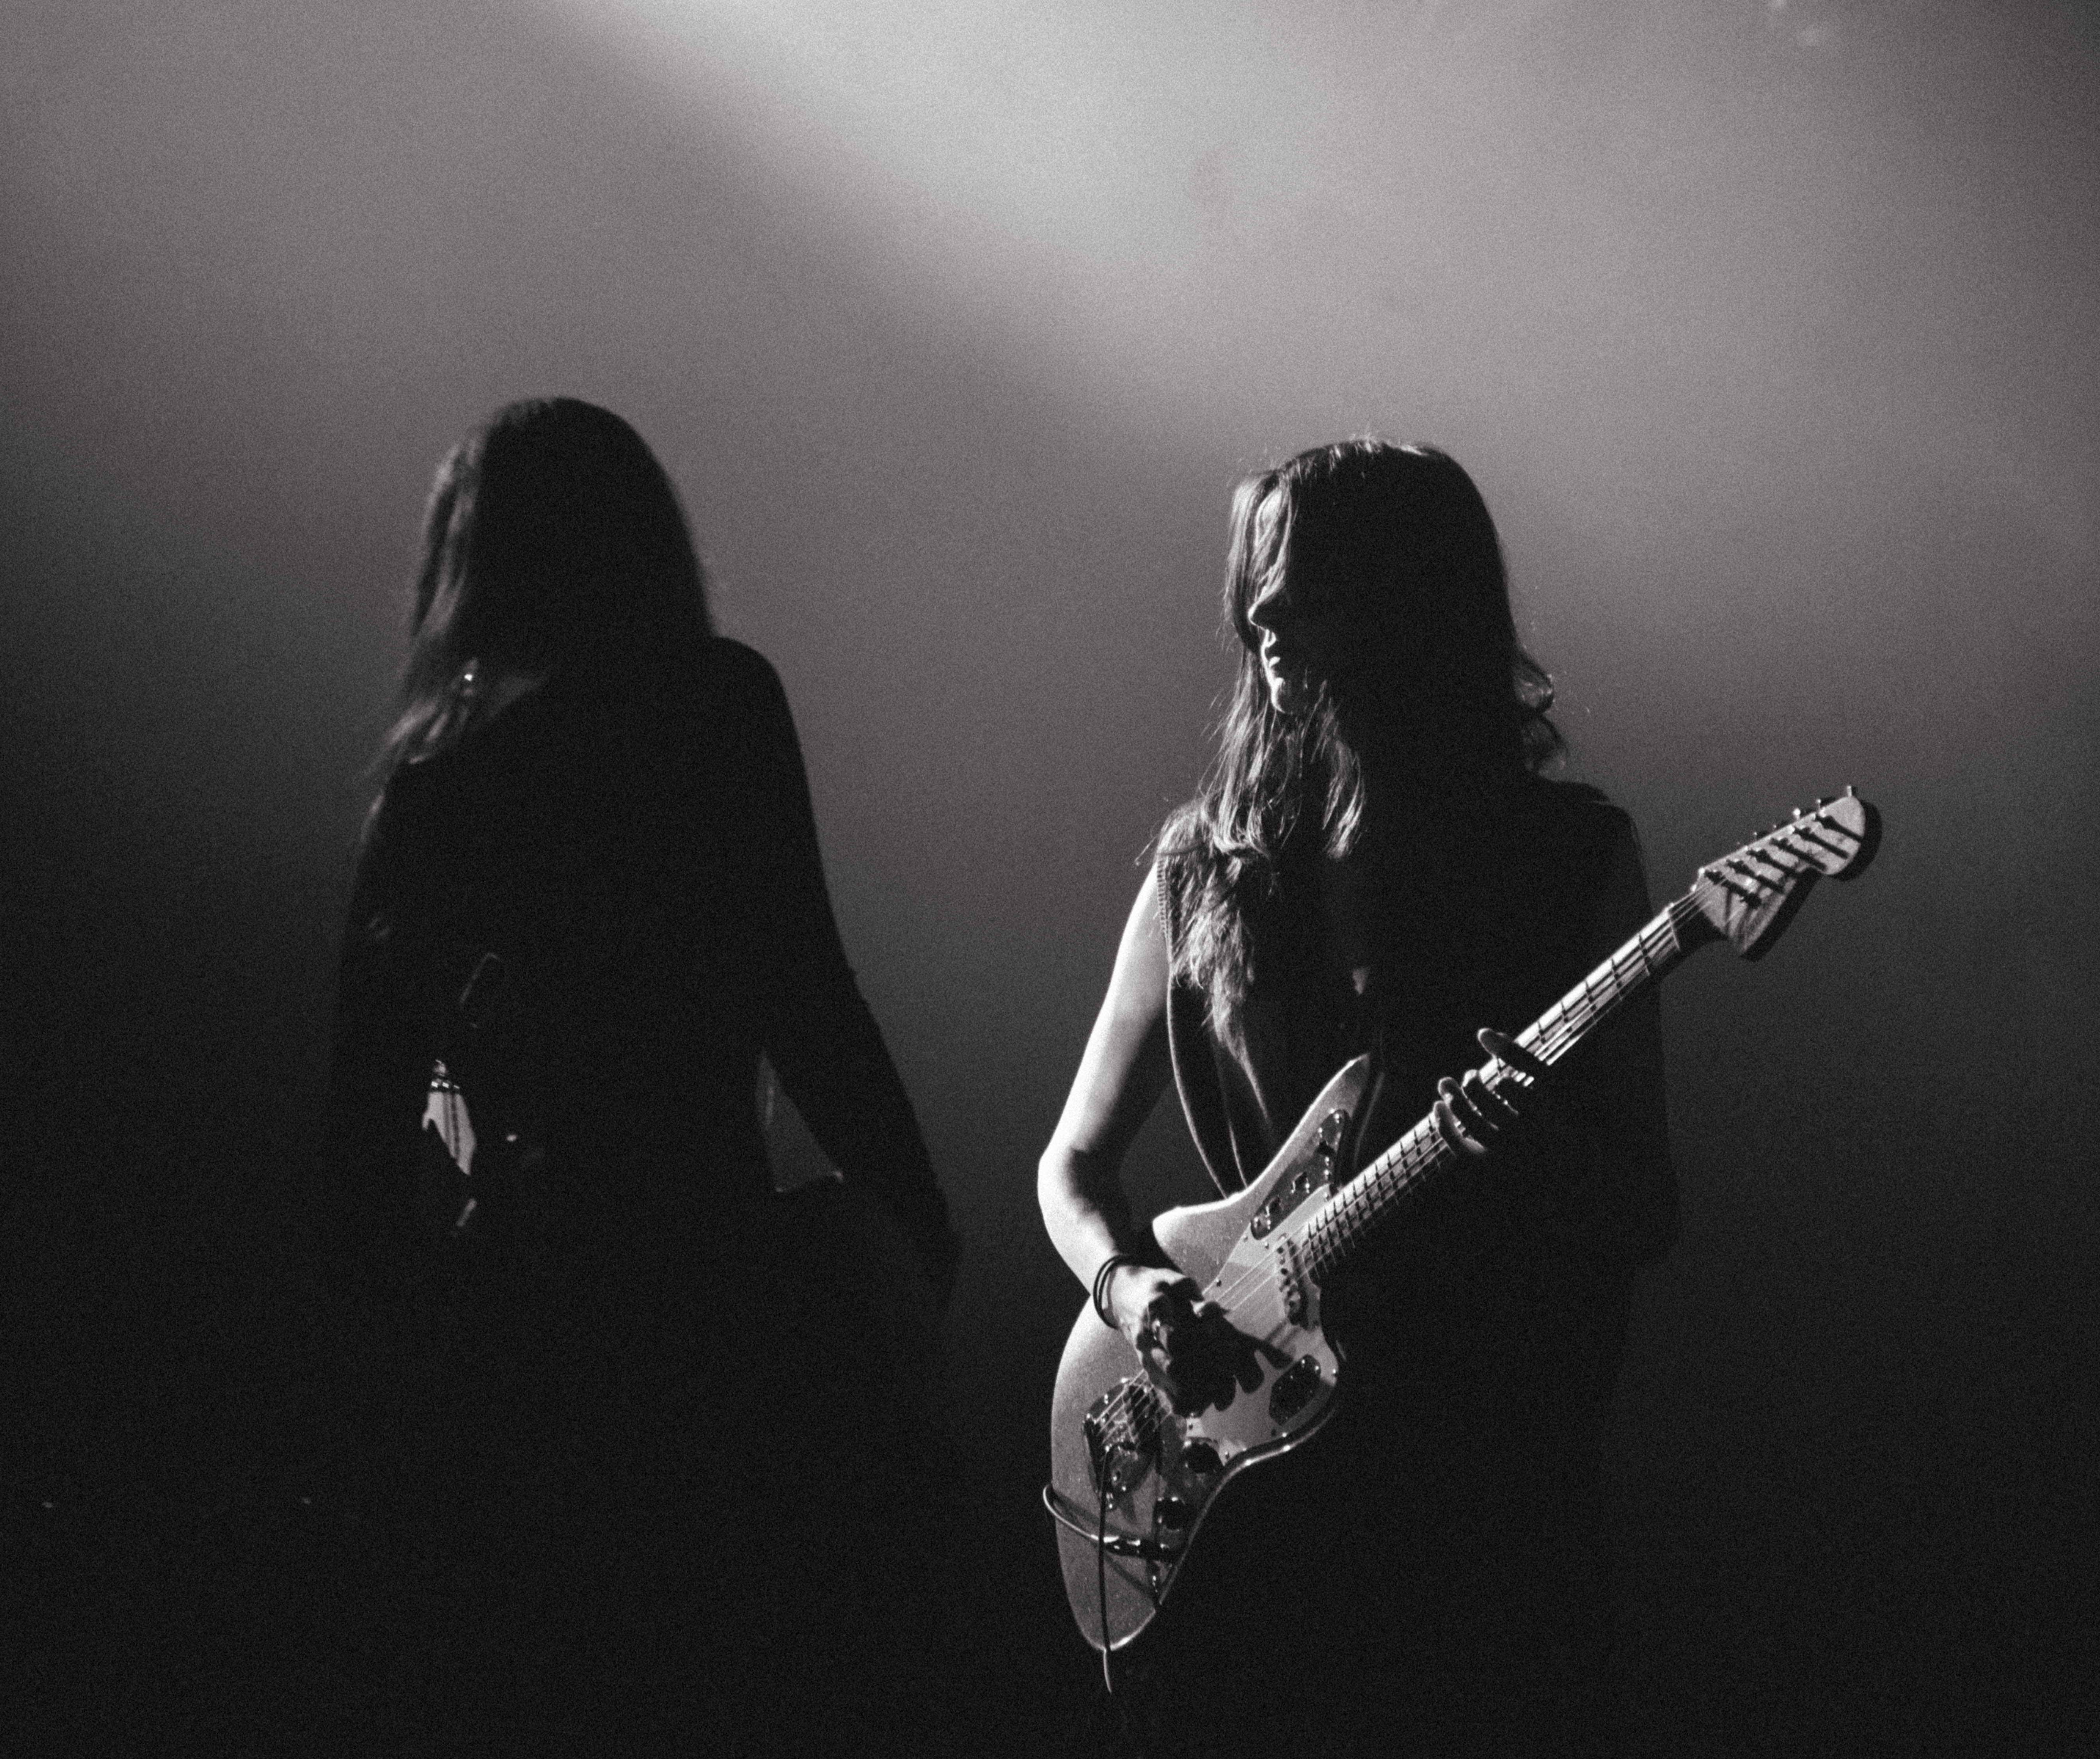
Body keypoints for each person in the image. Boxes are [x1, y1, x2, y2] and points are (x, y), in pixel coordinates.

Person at [316, 397, 960, 1752]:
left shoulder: (438, 794)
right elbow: (809, 991)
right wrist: (912, 1217)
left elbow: (359, 1141)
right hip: (718, 1278)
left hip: (530, 1316)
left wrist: (388, 1387)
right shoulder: (719, 704)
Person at [1037, 439, 1676, 1757]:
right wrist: (1134, 1292)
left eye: (1305, 582)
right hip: (1254, 1499)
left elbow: (1646, 1206)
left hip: (1486, 1487)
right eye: (1255, 583)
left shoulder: (1569, 862)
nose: (1263, 614)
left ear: (1411, 605)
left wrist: (1538, 1149)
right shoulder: (1204, 872)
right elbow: (1072, 1169)